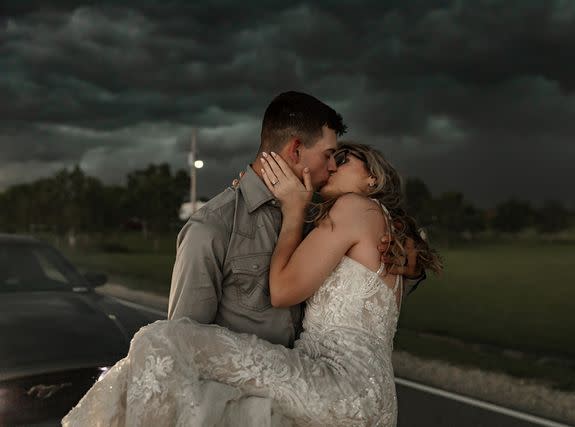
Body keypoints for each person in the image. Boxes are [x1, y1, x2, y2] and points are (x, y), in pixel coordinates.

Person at [62, 142, 442, 426]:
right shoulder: (395, 235)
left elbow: (282, 291)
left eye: (342, 159)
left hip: (334, 382)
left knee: (160, 340)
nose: (330, 165)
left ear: (373, 177)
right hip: (376, 399)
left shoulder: (354, 209)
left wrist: (292, 212)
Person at [167, 91, 424, 349]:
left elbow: (362, 295)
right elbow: (181, 343)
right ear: (296, 149)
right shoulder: (213, 226)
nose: (333, 166)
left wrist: (407, 263)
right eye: (328, 155)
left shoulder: (323, 217)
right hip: (240, 385)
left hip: (315, 380)